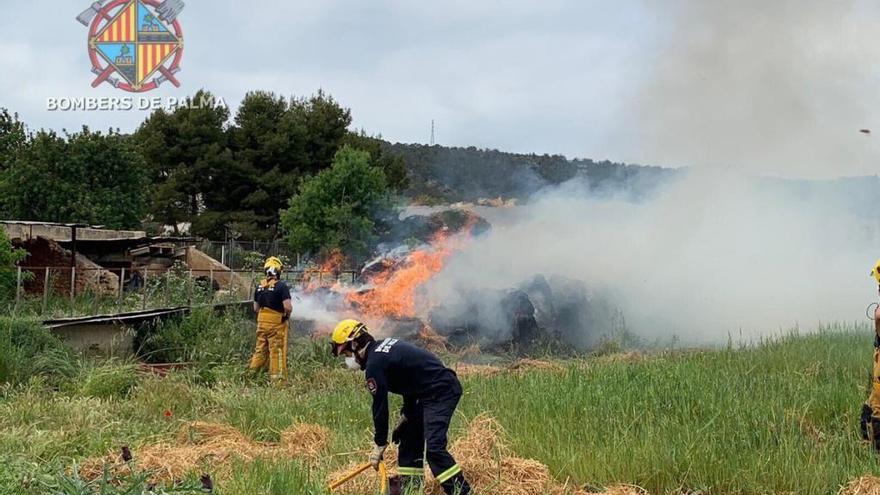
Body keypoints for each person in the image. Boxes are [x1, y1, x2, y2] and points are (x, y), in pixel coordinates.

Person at [330, 319, 471, 495]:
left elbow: (380, 405)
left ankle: (462, 491)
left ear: (356, 344)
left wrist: (379, 443)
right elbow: (410, 381)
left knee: (435, 449)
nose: (348, 359)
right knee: (408, 435)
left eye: (346, 353)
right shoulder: (382, 349)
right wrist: (407, 415)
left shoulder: (374, 365)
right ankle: (410, 488)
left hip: (440, 391)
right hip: (425, 392)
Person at [249, 257, 292, 382]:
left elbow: (256, 308)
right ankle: (277, 381)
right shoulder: (282, 286)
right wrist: (286, 316)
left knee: (260, 350)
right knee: (276, 351)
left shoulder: (259, 287)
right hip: (276, 325)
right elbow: (287, 307)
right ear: (278, 272)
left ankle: (251, 376)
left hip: (261, 324)